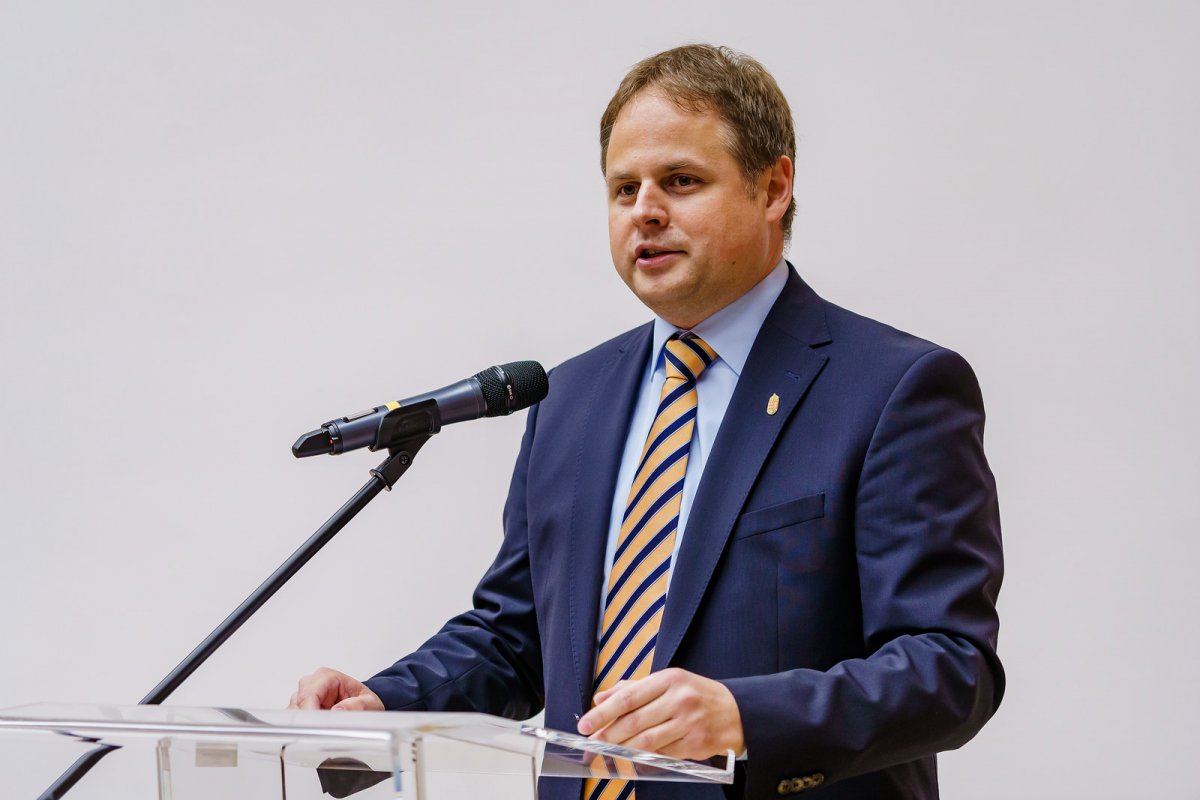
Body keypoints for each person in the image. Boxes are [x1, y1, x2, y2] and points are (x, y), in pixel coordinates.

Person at [290, 44, 1004, 800]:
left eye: (681, 181)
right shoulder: (568, 398)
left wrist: (746, 718)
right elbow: (517, 638)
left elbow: (949, 667)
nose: (646, 211)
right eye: (624, 188)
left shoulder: (893, 390)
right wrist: (385, 707)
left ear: (774, 188)